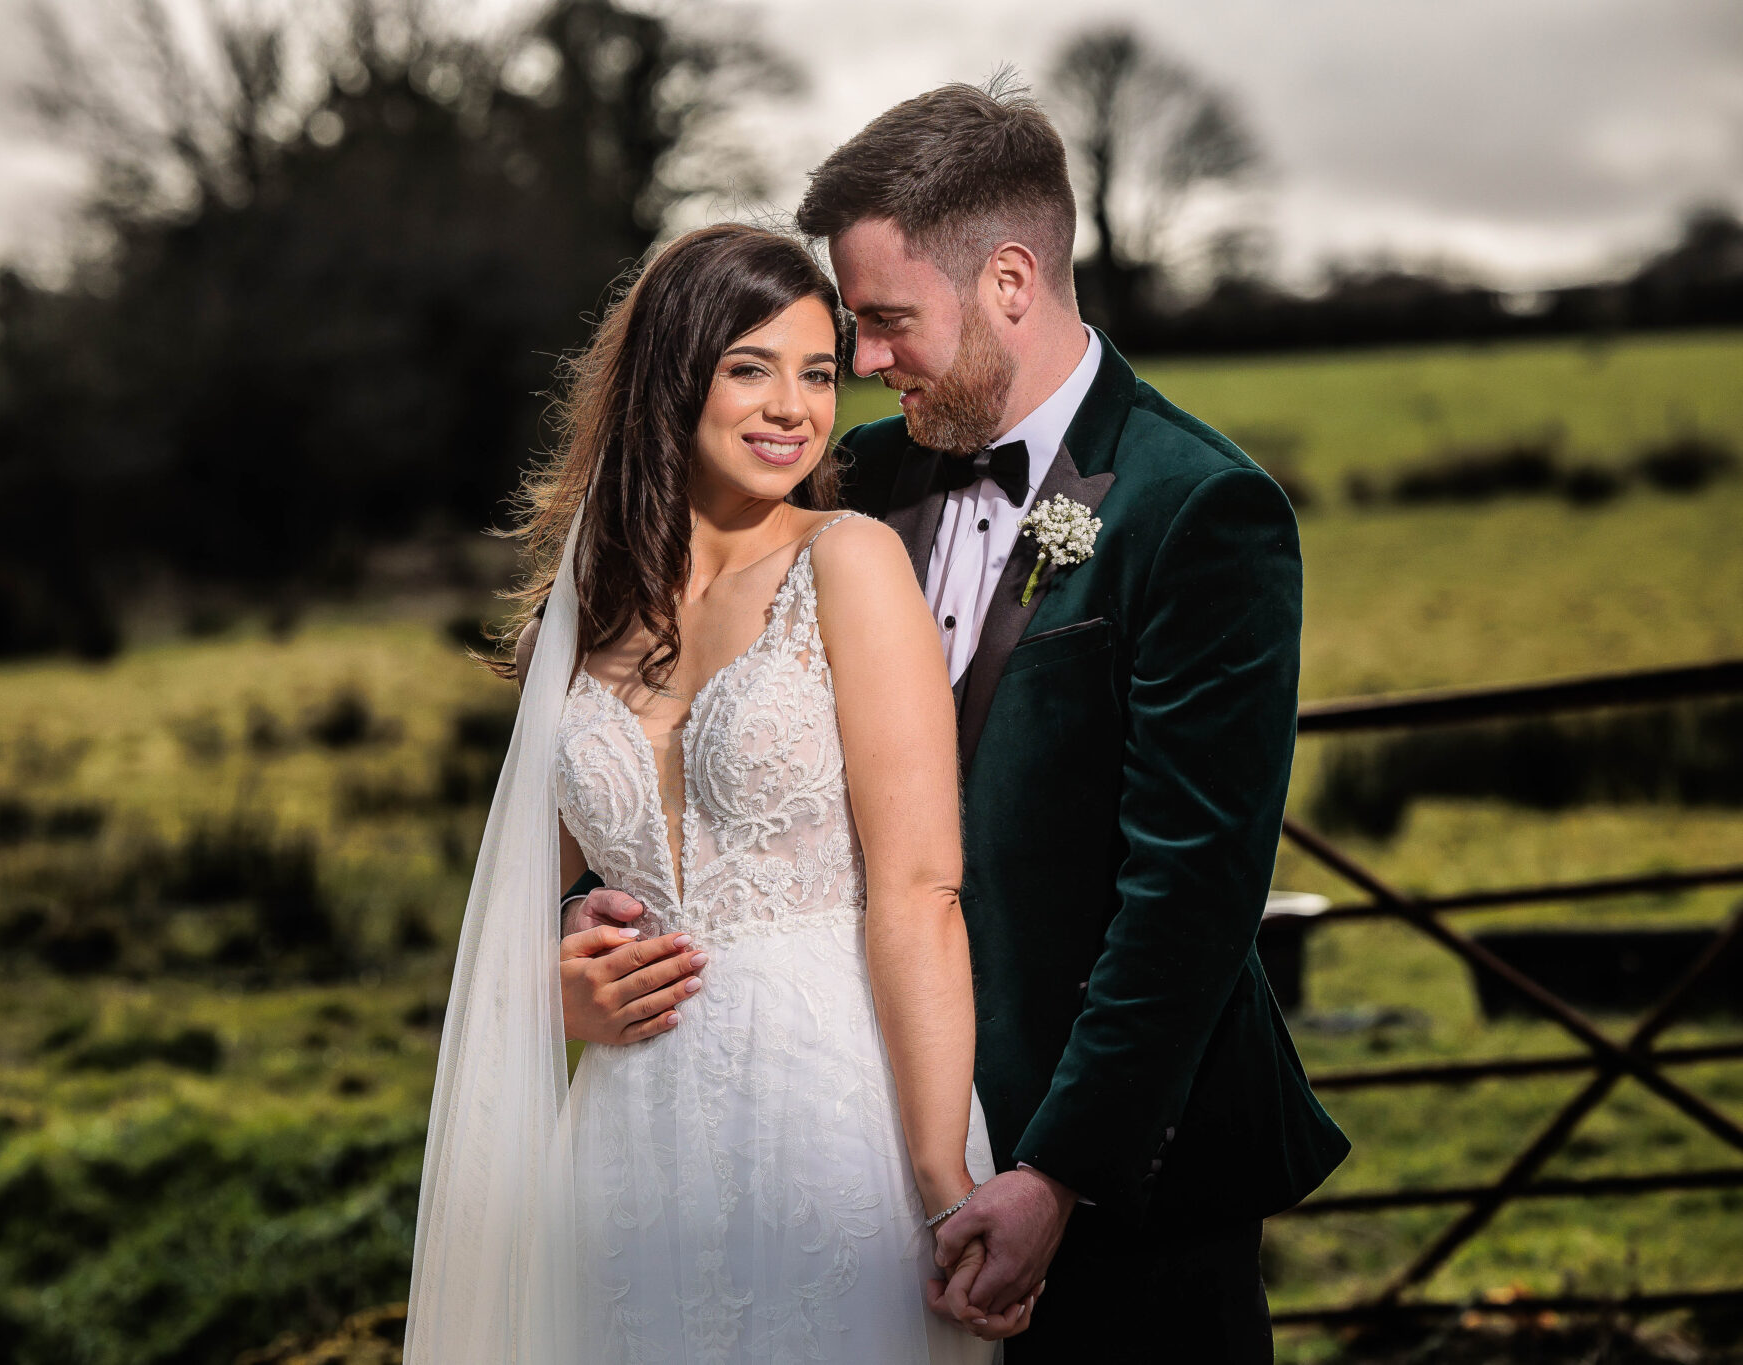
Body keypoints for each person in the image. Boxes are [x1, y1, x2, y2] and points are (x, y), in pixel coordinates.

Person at [561, 78, 1350, 1362]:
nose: (860, 365)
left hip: (1115, 1180)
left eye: (883, 322)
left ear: (1009, 281)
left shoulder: (1199, 510)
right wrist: (582, 932)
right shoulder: (844, 488)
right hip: (852, 1149)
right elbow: (674, 742)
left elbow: (1191, 893)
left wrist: (1054, 1173)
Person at [405, 222, 1031, 1364]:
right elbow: (523, 899)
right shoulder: (577, 618)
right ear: (672, 378)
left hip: (830, 1109)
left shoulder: (846, 562)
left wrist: (943, 1180)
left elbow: (919, 889)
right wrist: (561, 985)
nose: (792, 407)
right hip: (628, 1139)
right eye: (750, 367)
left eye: (817, 373)